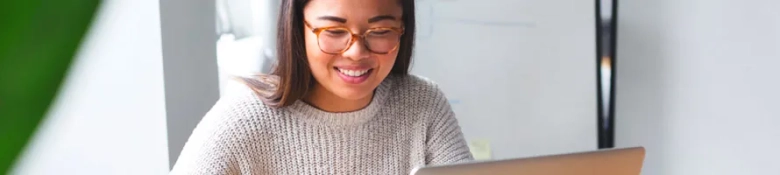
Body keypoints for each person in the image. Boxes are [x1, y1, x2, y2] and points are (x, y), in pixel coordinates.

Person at [170, 0, 473, 174]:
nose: (357, 51)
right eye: (334, 31)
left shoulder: (423, 104)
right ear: (296, 27)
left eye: (380, 30)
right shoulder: (242, 120)